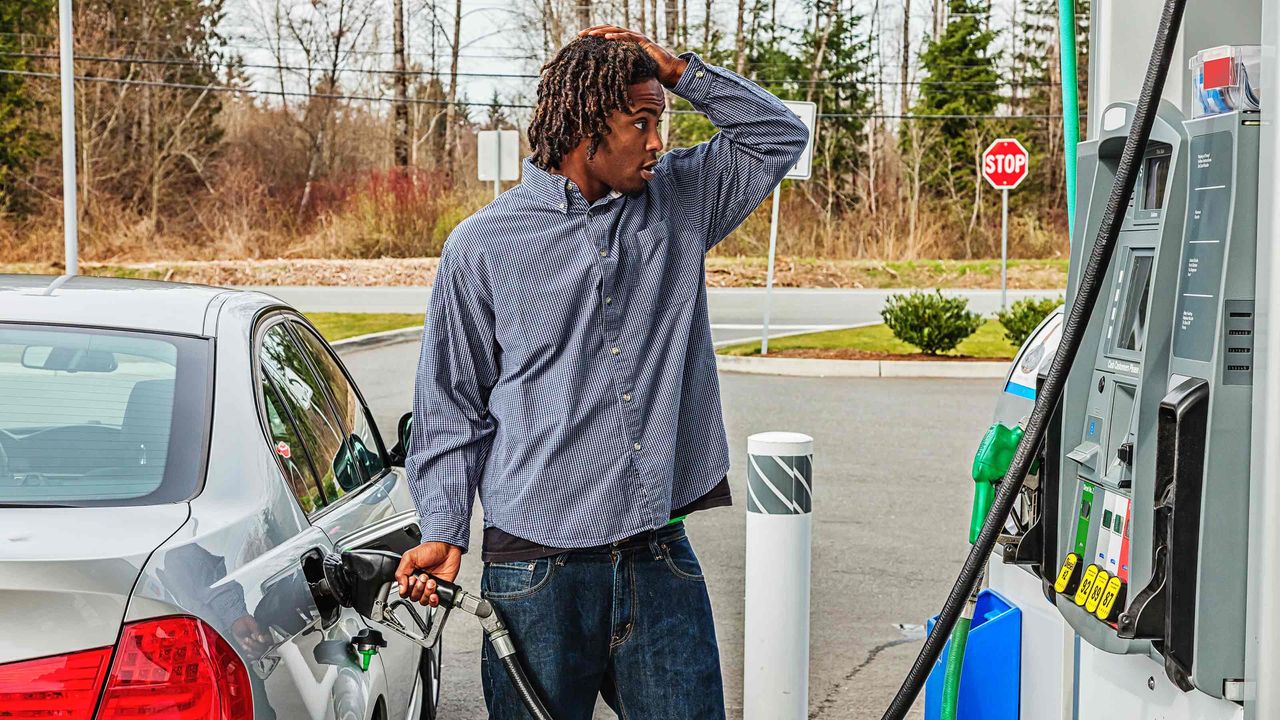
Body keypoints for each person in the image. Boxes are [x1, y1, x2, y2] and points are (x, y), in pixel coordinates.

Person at [396, 24, 809, 719]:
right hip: (536, 571)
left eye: (660, 122)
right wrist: (443, 527)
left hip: (657, 556)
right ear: (586, 127)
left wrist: (676, 71)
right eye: (641, 123)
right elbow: (451, 406)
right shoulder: (481, 248)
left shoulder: (680, 203)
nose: (657, 142)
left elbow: (778, 136)